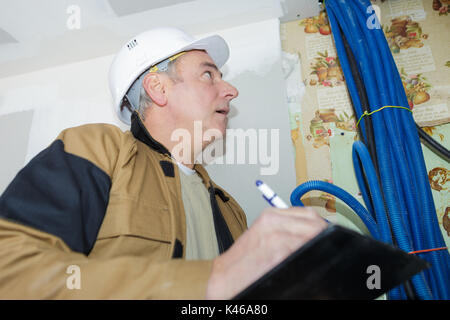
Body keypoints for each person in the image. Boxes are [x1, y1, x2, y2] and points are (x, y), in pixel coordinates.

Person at [0, 27, 327, 299]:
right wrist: (213, 278)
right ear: (158, 88)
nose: (230, 90)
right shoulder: (99, 149)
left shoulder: (231, 210)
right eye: (208, 74)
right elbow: (11, 272)